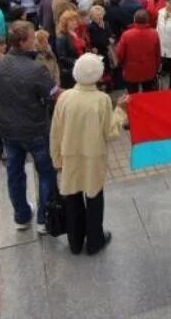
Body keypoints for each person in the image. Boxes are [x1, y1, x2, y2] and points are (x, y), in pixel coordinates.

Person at [0, 22, 58, 233]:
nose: (34, 42)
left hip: (7, 131)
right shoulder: (35, 69)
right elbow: (52, 95)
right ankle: (44, 218)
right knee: (46, 173)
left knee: (14, 173)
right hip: (36, 130)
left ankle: (21, 216)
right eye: (32, 38)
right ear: (23, 42)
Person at [50, 54, 128, 254]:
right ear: (98, 75)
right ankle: (95, 241)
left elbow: (55, 132)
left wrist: (56, 159)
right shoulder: (101, 100)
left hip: (69, 156)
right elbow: (110, 132)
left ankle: (75, 242)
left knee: (73, 198)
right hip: (93, 158)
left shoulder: (64, 97)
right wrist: (120, 110)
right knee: (94, 198)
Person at [115, 9, 161, 93]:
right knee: (148, 94)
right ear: (147, 20)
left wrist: (121, 64)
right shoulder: (154, 34)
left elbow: (120, 53)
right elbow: (157, 53)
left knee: (132, 95)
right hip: (149, 70)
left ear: (134, 19)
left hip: (131, 70)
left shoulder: (126, 35)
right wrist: (156, 67)